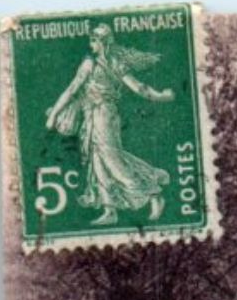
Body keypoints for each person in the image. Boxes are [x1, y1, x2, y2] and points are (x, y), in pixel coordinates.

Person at [45, 23, 175, 227]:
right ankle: (110, 209)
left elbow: (138, 87)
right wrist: (54, 114)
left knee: (112, 158)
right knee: (97, 161)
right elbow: (72, 90)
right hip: (91, 115)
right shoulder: (89, 63)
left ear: (104, 42)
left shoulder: (113, 63)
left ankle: (153, 193)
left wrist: (161, 96)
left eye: (95, 40)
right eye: (91, 40)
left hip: (106, 115)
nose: (91, 44)